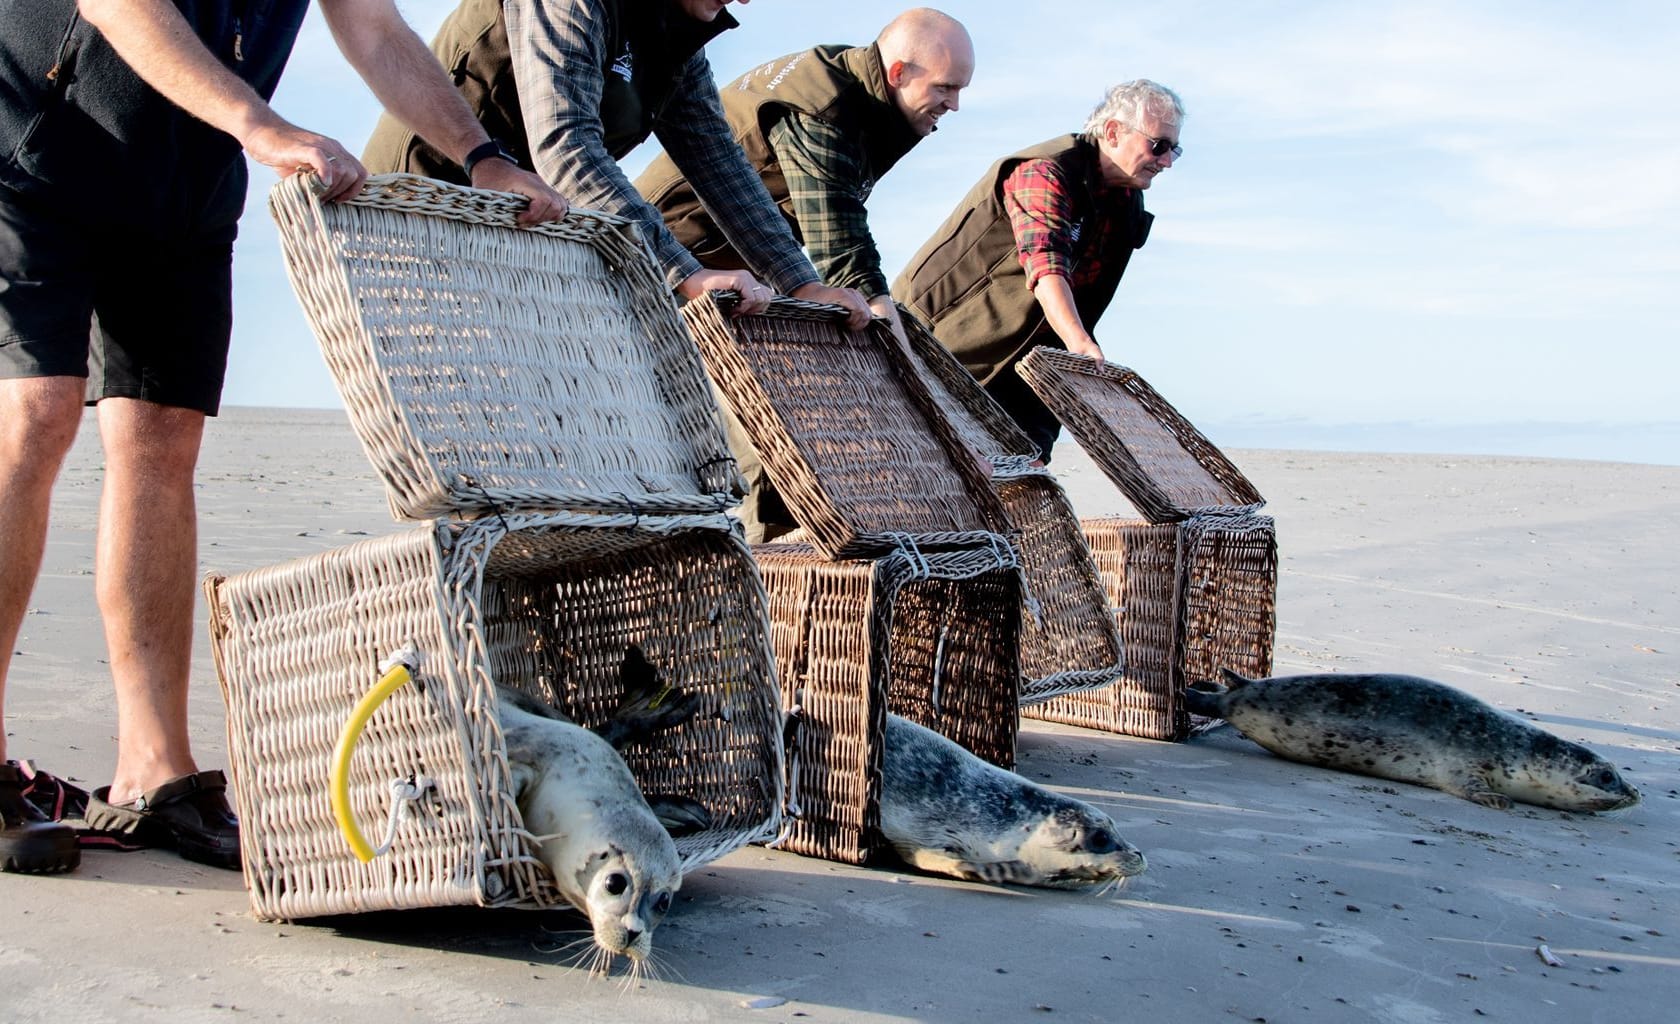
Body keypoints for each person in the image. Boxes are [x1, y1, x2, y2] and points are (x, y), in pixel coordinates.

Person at [0, 0, 567, 875]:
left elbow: (374, 30)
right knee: (36, 414)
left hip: (184, 176)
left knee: (161, 442)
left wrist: (483, 158)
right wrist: (259, 123)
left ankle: (151, 774)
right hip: (36, 138)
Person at [633, 7, 974, 541]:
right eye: (948, 87)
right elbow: (845, 256)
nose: (956, 105)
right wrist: (917, 394)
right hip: (670, 264)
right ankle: (763, 582)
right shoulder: (825, 107)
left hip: (746, 281)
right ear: (900, 73)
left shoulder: (871, 103)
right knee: (766, 442)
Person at [363, 0, 872, 328]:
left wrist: (798, 280)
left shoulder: (674, 38)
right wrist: (683, 274)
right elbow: (566, 146)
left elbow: (719, 161)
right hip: (415, 218)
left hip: (525, 233)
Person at [895, 80, 1183, 462]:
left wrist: (1071, 360)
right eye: (1158, 145)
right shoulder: (1044, 171)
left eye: (1174, 150)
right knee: (928, 464)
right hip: (943, 343)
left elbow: (1088, 294)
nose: (1165, 161)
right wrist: (1080, 343)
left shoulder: (1126, 200)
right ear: (1113, 132)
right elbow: (1046, 263)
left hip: (1030, 360)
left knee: (1027, 466)